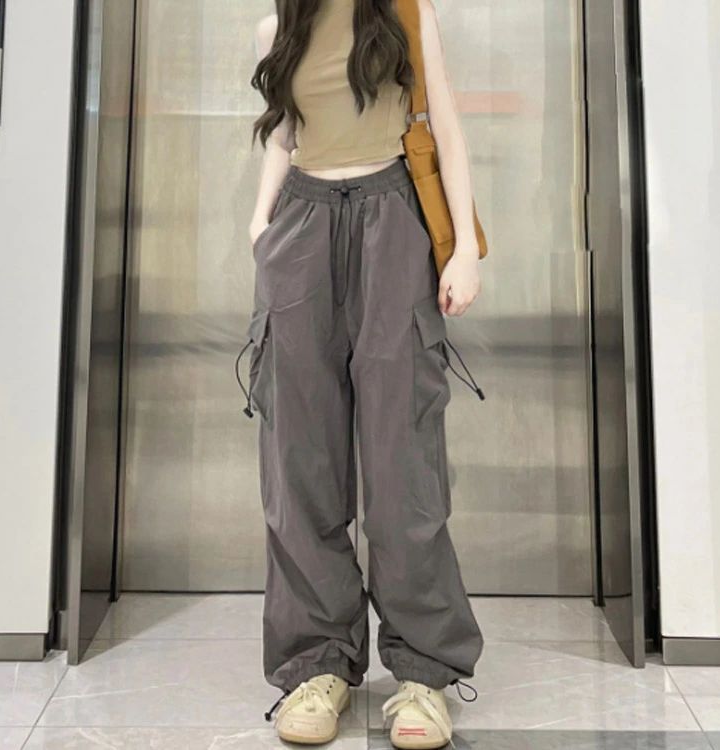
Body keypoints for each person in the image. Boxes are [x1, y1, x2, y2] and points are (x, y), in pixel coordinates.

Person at [238, 0, 485, 746]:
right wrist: (260, 222)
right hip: (302, 226)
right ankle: (317, 666)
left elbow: (445, 126)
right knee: (299, 462)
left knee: (403, 461)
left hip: (393, 219)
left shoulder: (408, 14)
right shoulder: (277, 27)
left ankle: (423, 673)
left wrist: (463, 249)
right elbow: (285, 133)